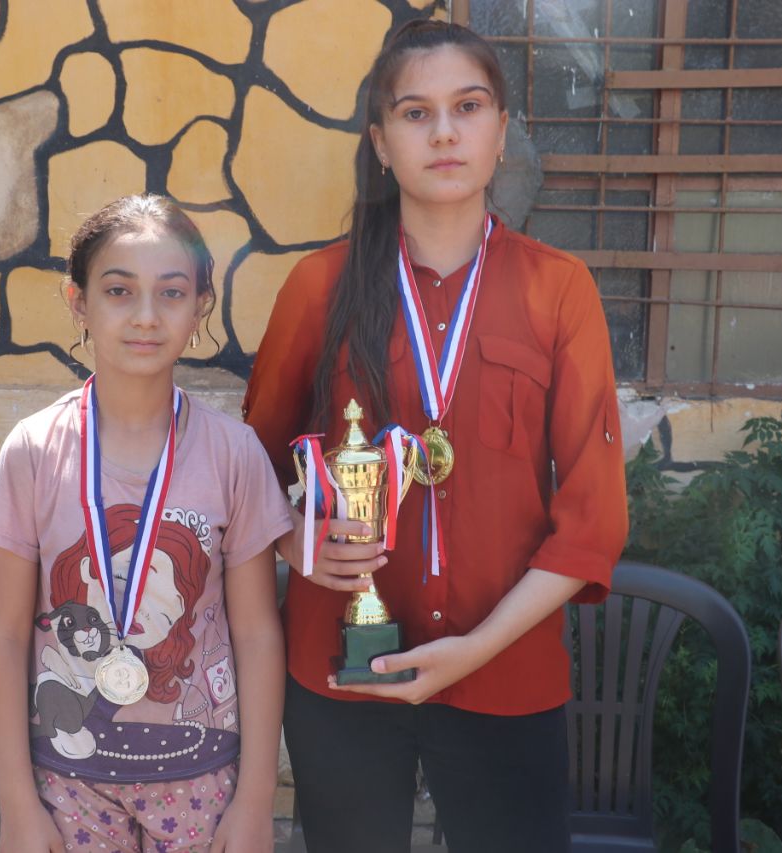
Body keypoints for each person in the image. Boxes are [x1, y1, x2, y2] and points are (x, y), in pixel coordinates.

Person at [244, 19, 629, 853]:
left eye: (468, 107)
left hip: (507, 667)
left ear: (501, 133)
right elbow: (251, 473)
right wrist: (293, 541)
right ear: (381, 143)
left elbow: (591, 519)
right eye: (416, 113)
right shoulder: (318, 286)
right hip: (342, 663)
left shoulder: (560, 291)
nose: (445, 132)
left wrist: (476, 649)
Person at [0, 194, 291, 853]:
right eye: (119, 291)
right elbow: (3, 634)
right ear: (78, 301)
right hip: (66, 782)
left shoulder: (233, 453)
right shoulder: (34, 450)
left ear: (200, 306)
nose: (146, 316)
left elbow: (257, 633)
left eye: (171, 293)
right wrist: (17, 804)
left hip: (201, 779)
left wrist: (256, 798)